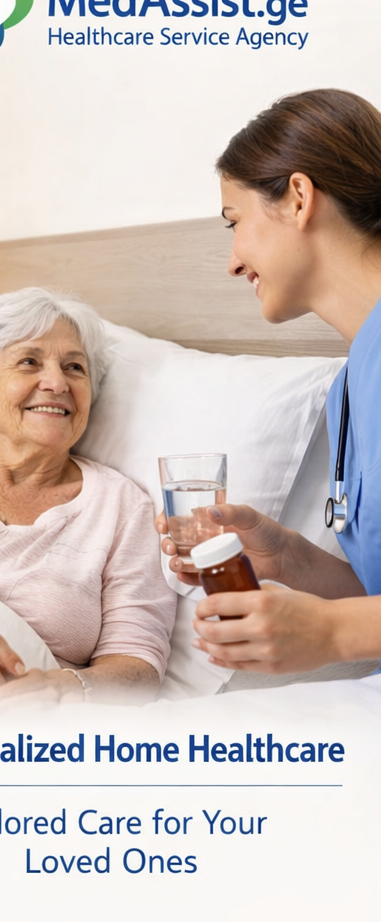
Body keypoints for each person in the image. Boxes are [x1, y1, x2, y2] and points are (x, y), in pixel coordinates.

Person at [158, 88, 381, 676]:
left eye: (235, 222)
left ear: (299, 198)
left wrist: (332, 632)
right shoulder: (351, 389)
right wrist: (288, 560)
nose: (233, 262)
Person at [0, 287, 176, 702]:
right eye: (29, 362)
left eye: (74, 367)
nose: (57, 383)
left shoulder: (121, 508)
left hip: (3, 718)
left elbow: (137, 664)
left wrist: (65, 689)